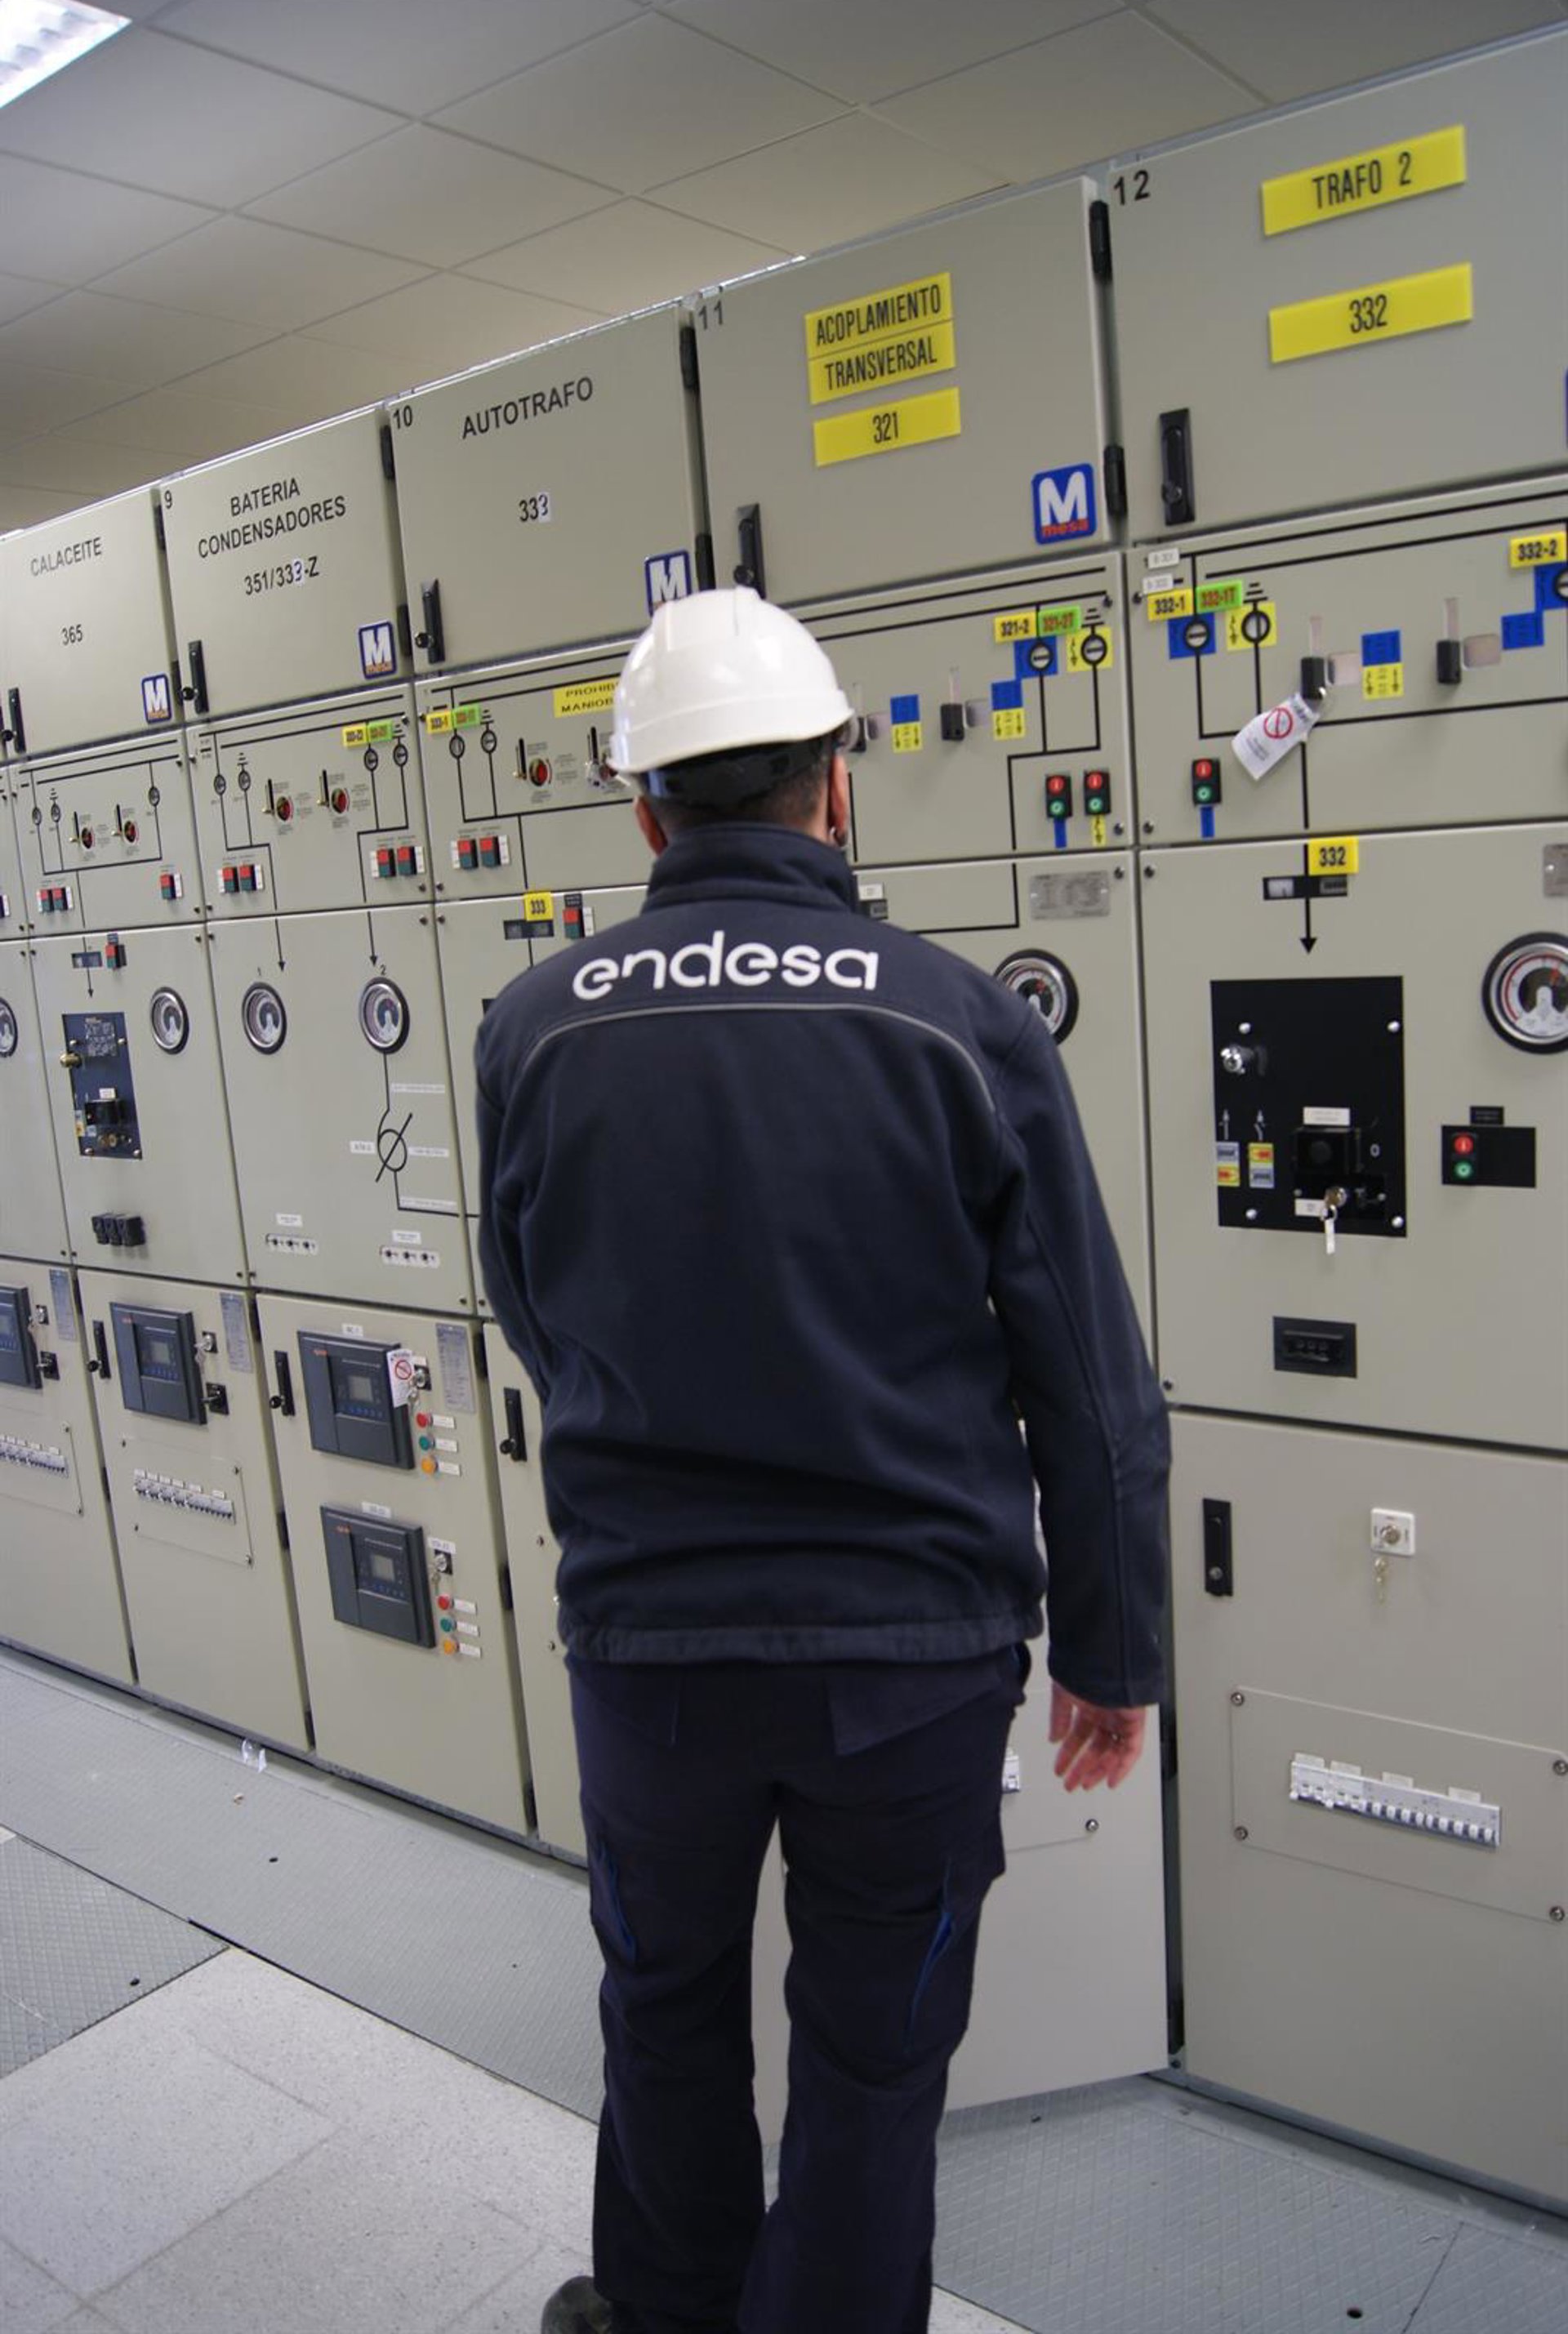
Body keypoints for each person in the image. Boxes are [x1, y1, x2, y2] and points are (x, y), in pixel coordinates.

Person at [475, 587, 1169, 2334]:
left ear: (645, 812)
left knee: (664, 2012)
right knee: (872, 2063)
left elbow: (536, 1315)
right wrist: (1111, 1647)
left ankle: (668, 2314)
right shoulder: (958, 1022)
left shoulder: (535, 1028)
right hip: (910, 1666)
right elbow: (1086, 1374)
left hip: (651, 1659)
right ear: (838, 784)